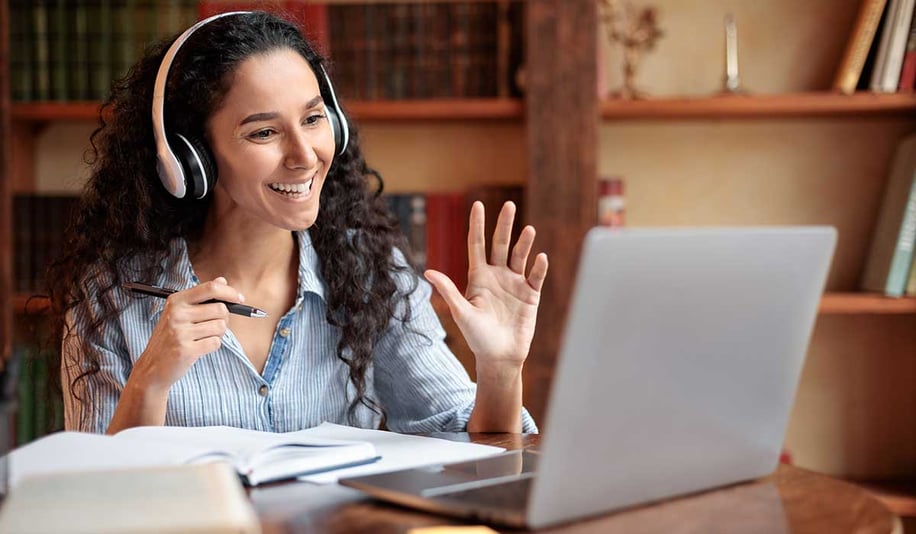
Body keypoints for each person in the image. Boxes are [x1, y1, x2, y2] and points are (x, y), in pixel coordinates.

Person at [47, 10, 548, 436]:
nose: (305, 155)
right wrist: (149, 382)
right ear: (190, 158)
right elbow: (101, 498)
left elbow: (474, 450)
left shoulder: (368, 271)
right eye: (264, 131)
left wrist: (501, 369)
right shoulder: (112, 296)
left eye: (312, 119)